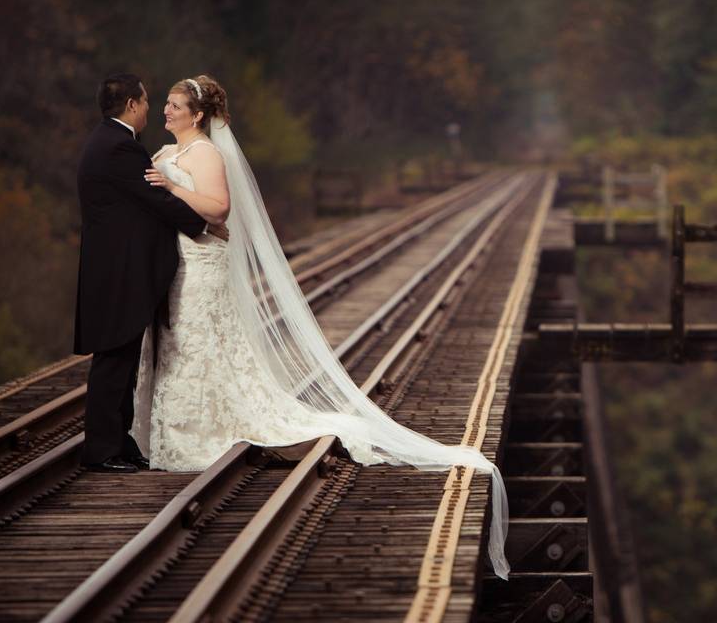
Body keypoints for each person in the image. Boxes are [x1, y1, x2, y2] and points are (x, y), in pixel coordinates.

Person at [134, 75, 510, 578]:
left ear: (197, 115)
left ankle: (202, 424)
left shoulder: (203, 155)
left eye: (174, 105)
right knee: (179, 341)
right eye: (165, 104)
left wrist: (174, 187)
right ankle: (174, 426)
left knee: (203, 340)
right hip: (174, 263)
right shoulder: (164, 151)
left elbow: (220, 209)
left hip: (201, 263)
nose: (165, 111)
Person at [74, 73, 226, 473]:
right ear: (131, 105)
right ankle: (102, 450)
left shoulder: (107, 142)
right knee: (114, 359)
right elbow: (154, 199)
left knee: (122, 356)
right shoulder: (121, 148)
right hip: (119, 269)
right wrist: (206, 226)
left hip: (113, 267)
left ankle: (119, 442)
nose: (153, 108)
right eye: (146, 101)